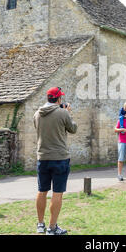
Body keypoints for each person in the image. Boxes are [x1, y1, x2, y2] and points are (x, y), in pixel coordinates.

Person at [33, 87, 78, 235]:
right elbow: (73, 129)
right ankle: (52, 228)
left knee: (42, 191)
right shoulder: (62, 112)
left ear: (48, 98)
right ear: (58, 99)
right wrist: (68, 113)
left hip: (43, 157)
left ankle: (40, 224)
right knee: (57, 193)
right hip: (59, 158)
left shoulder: (37, 114)